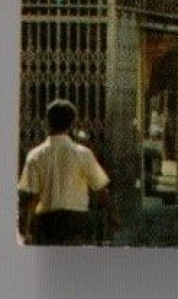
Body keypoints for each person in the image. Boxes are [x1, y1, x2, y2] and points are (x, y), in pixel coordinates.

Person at [16, 99, 112, 245]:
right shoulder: (83, 154)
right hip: (76, 219)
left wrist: (26, 228)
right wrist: (112, 216)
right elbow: (100, 188)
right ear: (72, 124)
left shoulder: (35, 155)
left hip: (47, 219)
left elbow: (31, 196)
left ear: (47, 122)